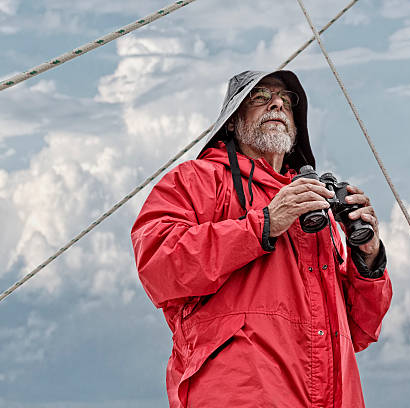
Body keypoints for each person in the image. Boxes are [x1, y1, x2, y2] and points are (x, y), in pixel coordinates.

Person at [131, 70, 392, 408]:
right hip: (240, 395)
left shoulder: (312, 206)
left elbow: (357, 331)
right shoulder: (196, 180)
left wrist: (368, 261)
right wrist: (264, 225)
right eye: (260, 97)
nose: (277, 104)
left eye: (287, 101)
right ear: (231, 122)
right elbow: (158, 265)